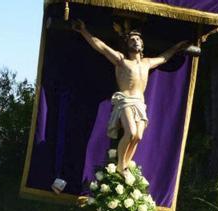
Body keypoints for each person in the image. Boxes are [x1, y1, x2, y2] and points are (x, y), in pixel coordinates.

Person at [72, 19, 192, 171]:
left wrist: (176, 47)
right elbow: (100, 47)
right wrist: (84, 31)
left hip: (140, 104)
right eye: (132, 39)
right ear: (127, 45)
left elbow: (164, 57)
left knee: (138, 137)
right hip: (126, 101)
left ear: (142, 45)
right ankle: (121, 166)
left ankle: (125, 165)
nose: (135, 41)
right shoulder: (122, 61)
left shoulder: (147, 63)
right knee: (131, 132)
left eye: (138, 39)